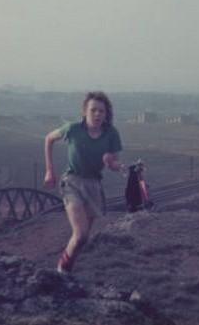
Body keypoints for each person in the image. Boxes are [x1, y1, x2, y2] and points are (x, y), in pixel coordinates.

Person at [44, 91, 125, 274]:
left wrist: (115, 164)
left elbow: (113, 161)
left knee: (83, 238)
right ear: (85, 112)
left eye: (101, 111)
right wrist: (50, 170)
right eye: (93, 110)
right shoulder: (73, 129)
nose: (97, 114)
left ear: (106, 114)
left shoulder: (111, 133)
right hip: (72, 182)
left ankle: (66, 270)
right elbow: (49, 139)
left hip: (94, 185)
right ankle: (61, 271)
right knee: (80, 233)